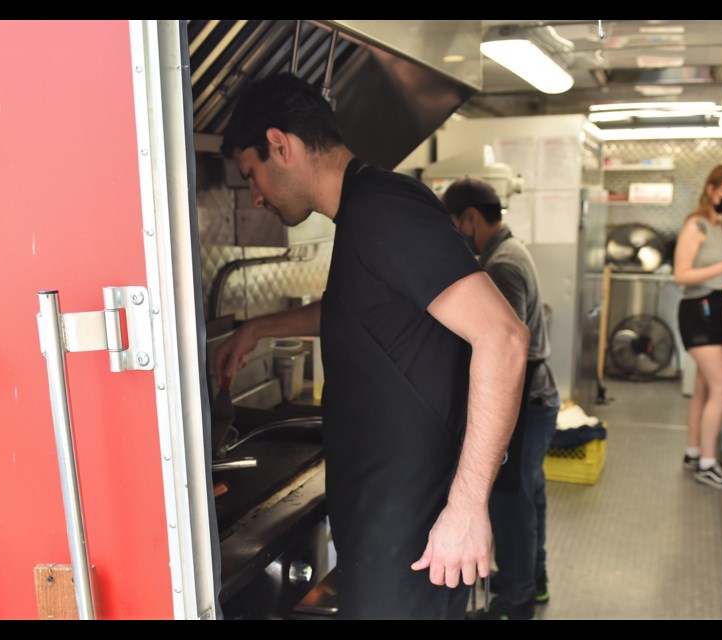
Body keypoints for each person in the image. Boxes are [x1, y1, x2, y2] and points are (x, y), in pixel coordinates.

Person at [213, 72, 531, 620]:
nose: (256, 195)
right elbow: (362, 313)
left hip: (417, 529)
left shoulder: (384, 209)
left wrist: (467, 507)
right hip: (386, 521)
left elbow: (503, 337)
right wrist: (259, 327)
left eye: (252, 175)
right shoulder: (364, 212)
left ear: (280, 145)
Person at [440, 178, 561, 621]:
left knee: (511, 505)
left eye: (454, 224)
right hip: (540, 399)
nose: (454, 234)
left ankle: (515, 602)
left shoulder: (502, 266)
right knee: (530, 497)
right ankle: (535, 583)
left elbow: (503, 348)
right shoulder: (509, 252)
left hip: (525, 403)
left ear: (470, 217)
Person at [673, 164, 722, 491]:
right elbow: (681, 275)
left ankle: (694, 452)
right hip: (698, 308)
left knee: (706, 388)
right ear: (711, 190)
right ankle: (708, 463)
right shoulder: (697, 225)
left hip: (716, 307)